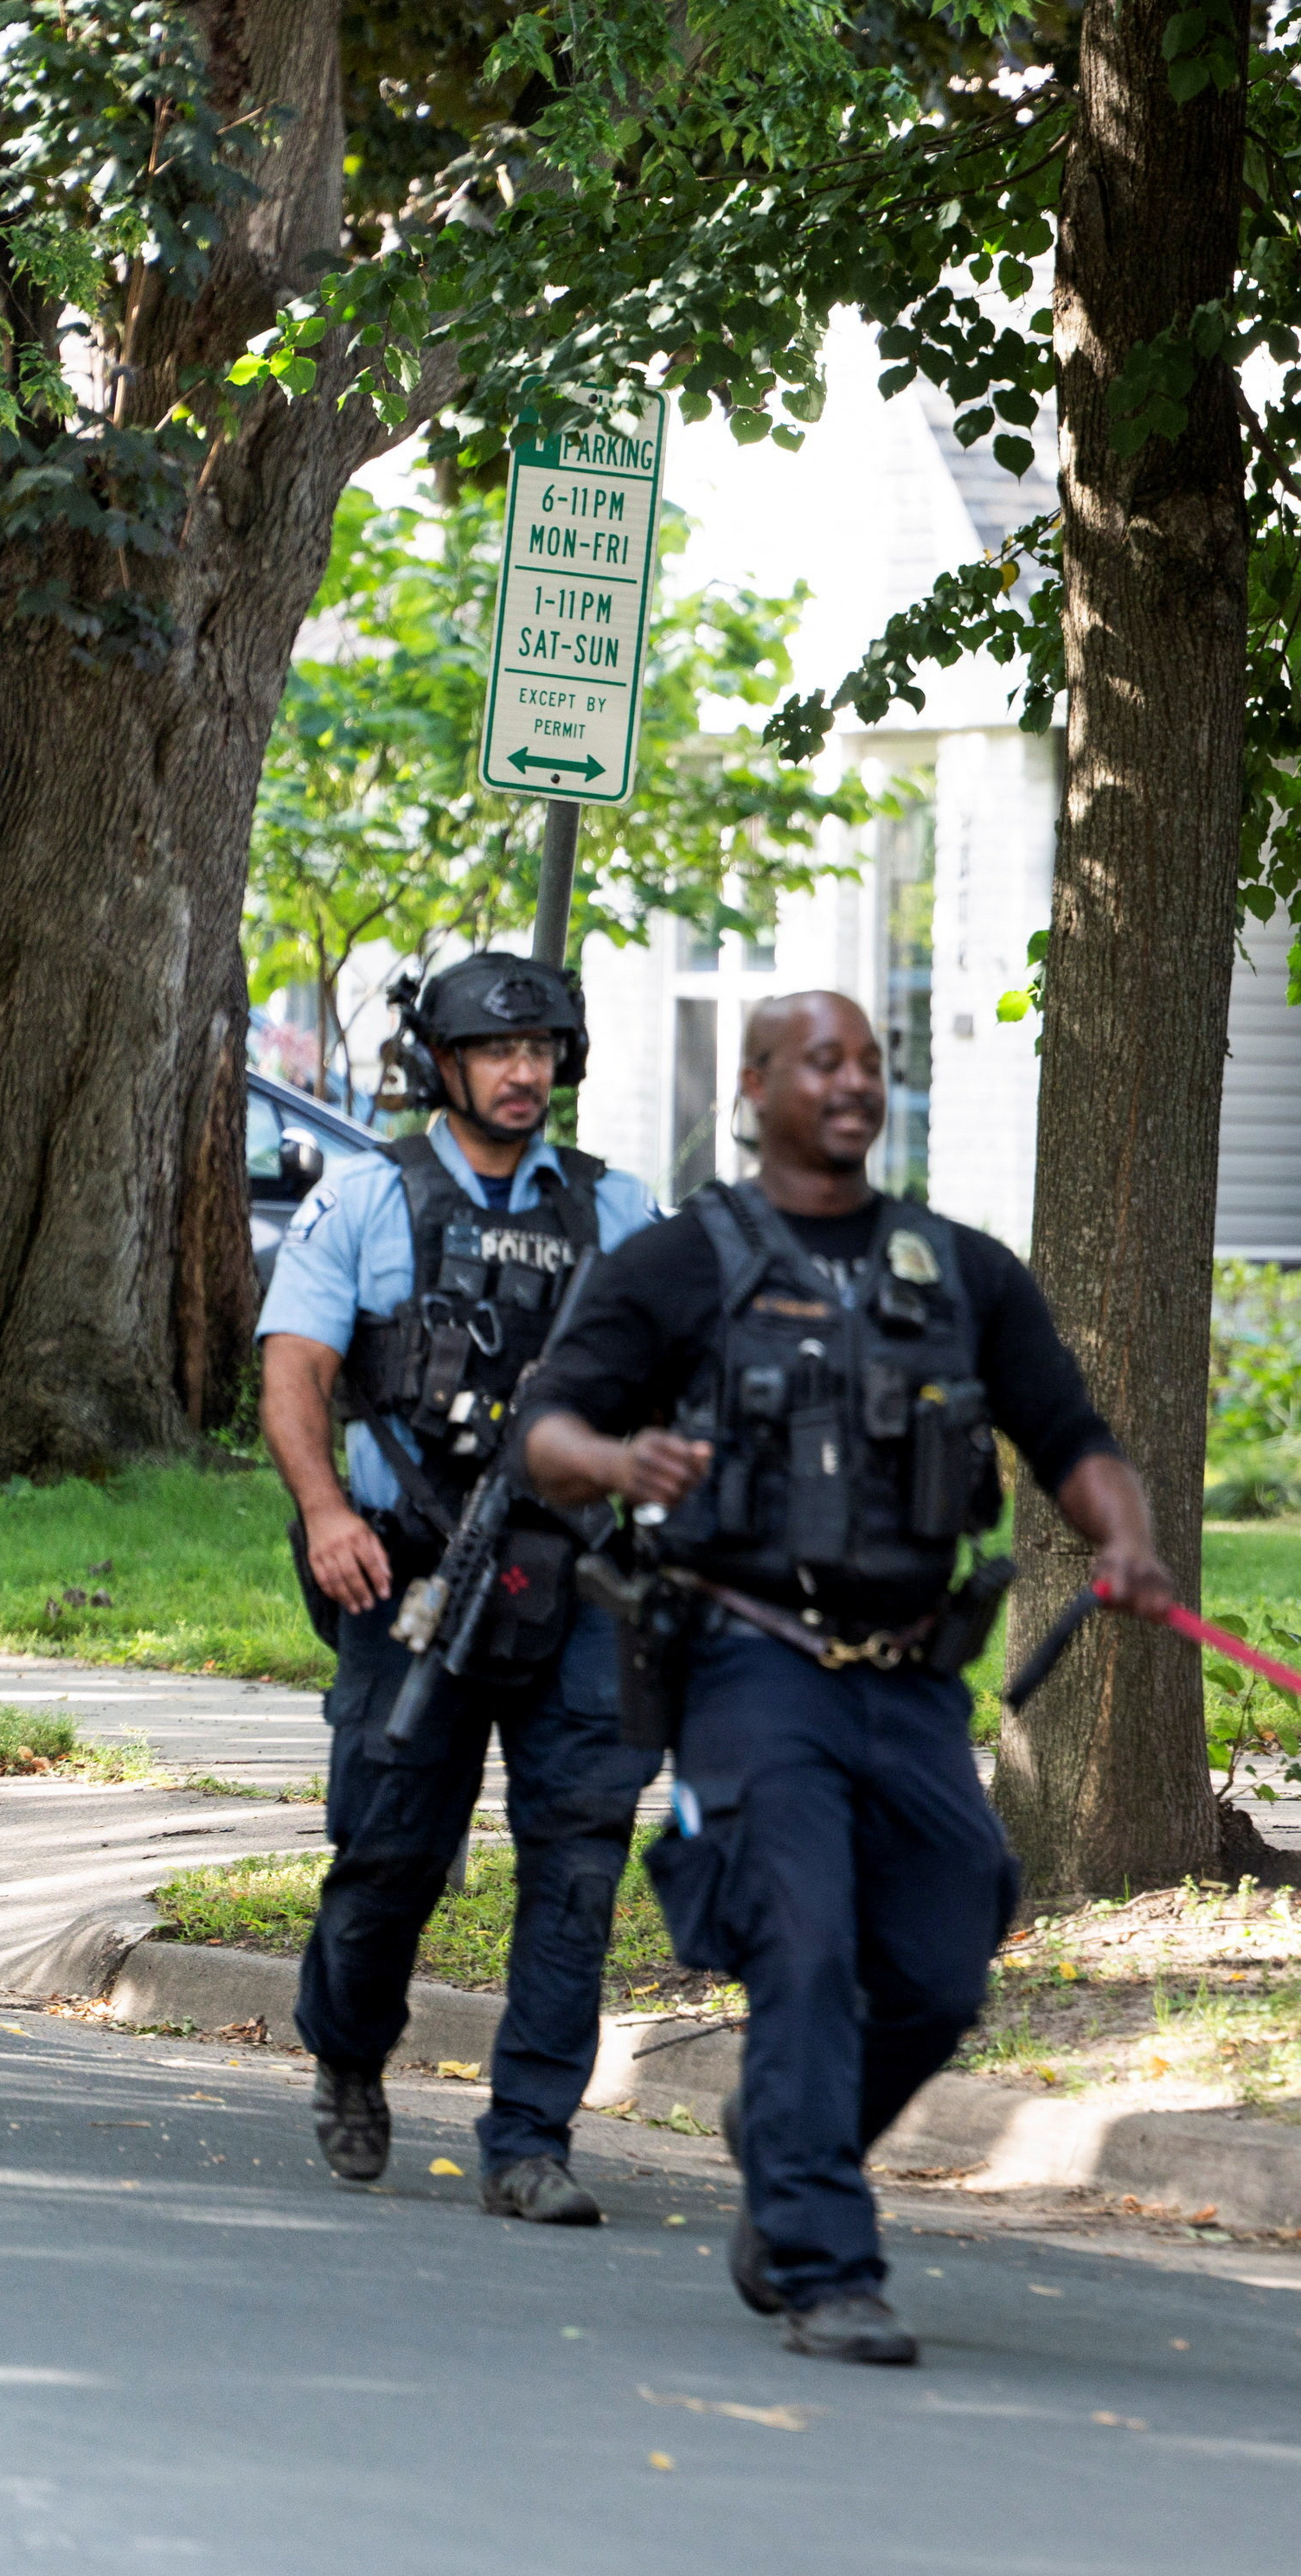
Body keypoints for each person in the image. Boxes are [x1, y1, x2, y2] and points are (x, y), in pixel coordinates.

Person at [517, 990, 1175, 2368]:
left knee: (945, 1954)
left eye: (873, 1062)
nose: (855, 1083)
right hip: (751, 1665)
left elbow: (1069, 1430)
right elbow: (549, 1435)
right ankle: (822, 2261)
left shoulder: (959, 1270)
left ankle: (787, 2139)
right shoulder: (679, 1264)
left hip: (911, 1675)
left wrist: (1124, 1533)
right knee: (803, 1944)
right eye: (823, 1062)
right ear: (755, 1086)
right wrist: (621, 1464)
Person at [255, 951, 664, 2225]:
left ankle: (530, 2138)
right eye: (498, 1049)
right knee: (389, 1850)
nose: (523, 1070)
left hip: (578, 1573)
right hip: (404, 1565)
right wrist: (325, 1513)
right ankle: (347, 2050)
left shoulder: (622, 1210)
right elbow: (295, 1373)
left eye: (542, 1047)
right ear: (445, 1065)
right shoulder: (369, 1198)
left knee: (582, 1855)